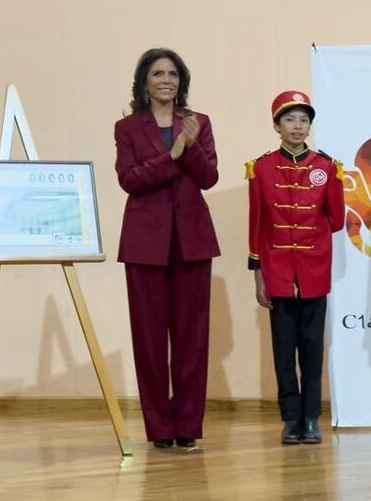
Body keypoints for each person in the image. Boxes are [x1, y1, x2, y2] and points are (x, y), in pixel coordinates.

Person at [114, 47, 220, 450]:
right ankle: (159, 428)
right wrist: (173, 154)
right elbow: (129, 180)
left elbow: (208, 178)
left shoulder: (198, 122)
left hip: (192, 241)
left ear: (182, 82)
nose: (166, 80)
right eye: (158, 74)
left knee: (193, 338)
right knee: (149, 339)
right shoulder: (127, 127)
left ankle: (188, 426)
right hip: (145, 244)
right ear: (144, 82)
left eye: (173, 74)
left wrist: (190, 148)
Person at [245, 91, 344, 445]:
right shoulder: (261, 169)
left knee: (313, 349)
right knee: (284, 351)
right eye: (289, 119)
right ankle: (290, 419)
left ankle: (312, 418)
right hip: (277, 272)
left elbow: (336, 219)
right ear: (277, 126)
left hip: (314, 270)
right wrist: (258, 274)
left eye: (304, 120)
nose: (297, 126)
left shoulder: (327, 167)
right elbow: (256, 225)